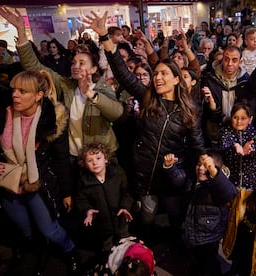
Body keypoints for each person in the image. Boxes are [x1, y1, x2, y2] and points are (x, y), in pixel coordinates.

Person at [86, 11, 204, 240]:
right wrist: (104, 38)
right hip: (146, 175)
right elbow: (123, 74)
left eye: (164, 74)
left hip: (172, 176)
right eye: (156, 73)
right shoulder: (148, 98)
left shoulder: (189, 111)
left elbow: (197, 146)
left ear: (177, 79)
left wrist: (194, 171)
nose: (158, 78)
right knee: (148, 218)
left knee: (174, 216)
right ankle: (146, 248)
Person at [0, 6, 123, 181]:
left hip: (100, 157)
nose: (75, 66)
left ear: (94, 68)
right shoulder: (66, 85)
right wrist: (21, 31)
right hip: (75, 157)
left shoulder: (102, 88)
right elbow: (36, 68)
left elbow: (116, 113)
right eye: (74, 62)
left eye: (81, 63)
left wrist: (91, 94)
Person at [0, 70, 78, 274]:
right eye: (14, 89)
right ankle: (39, 253)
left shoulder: (51, 119)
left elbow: (61, 159)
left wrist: (67, 192)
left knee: (50, 230)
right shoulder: (0, 114)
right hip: (8, 184)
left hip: (38, 184)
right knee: (25, 230)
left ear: (38, 95)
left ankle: (70, 250)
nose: (15, 94)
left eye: (22, 91)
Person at [163, 150, 237, 276]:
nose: (201, 168)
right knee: (195, 262)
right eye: (199, 164)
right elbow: (179, 178)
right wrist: (170, 167)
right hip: (191, 233)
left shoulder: (217, 186)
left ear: (215, 169)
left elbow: (229, 193)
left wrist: (214, 173)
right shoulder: (192, 179)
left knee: (208, 265)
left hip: (209, 239)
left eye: (207, 166)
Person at [76, 143, 134, 270]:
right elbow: (81, 199)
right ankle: (108, 266)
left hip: (120, 221)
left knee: (125, 246)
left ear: (106, 159)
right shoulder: (84, 181)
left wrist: (125, 206)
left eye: (98, 158)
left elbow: (127, 193)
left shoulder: (117, 173)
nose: (95, 163)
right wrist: (87, 210)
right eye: (90, 160)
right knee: (106, 250)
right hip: (102, 225)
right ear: (85, 164)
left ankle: (126, 267)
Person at [201, 45, 254, 147]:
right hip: (214, 133)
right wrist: (217, 113)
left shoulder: (246, 82)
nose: (230, 64)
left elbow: (250, 110)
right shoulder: (210, 79)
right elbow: (206, 110)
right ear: (222, 60)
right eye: (226, 59)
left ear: (240, 62)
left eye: (234, 60)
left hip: (238, 135)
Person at [219, 102, 256, 189]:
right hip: (230, 181)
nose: (239, 121)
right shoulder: (226, 132)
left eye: (243, 118)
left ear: (250, 119)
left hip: (250, 182)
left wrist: (250, 149)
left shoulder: (253, 133)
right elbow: (223, 148)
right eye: (235, 117)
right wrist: (235, 147)